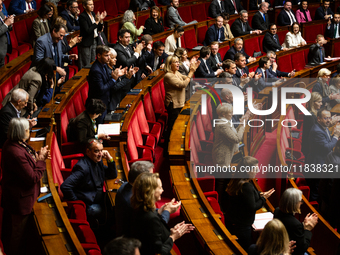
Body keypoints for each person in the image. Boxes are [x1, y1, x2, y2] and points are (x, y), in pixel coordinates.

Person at [1, 118, 49, 255]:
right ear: (21, 132)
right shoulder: (15, 152)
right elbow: (32, 178)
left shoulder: (17, 143)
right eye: (28, 130)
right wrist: (40, 161)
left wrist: (39, 155)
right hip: (20, 200)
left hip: (22, 195)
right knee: (17, 234)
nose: (29, 131)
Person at [130, 172, 194, 255]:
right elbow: (159, 251)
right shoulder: (151, 217)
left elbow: (154, 232)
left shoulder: (141, 208)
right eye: (160, 187)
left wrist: (173, 231)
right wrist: (173, 237)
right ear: (151, 191)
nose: (162, 190)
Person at [60, 139, 117, 224]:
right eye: (97, 151)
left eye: (101, 151)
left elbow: (112, 175)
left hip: (99, 198)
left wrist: (110, 159)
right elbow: (65, 186)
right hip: (89, 204)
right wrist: (77, 202)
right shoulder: (83, 168)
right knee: (112, 215)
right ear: (88, 151)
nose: (100, 154)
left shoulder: (97, 161)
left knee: (116, 206)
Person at [224, 156, 274, 250]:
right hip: (240, 226)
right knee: (243, 249)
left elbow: (248, 196)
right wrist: (264, 198)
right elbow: (253, 206)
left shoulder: (240, 180)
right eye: (255, 169)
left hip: (234, 222)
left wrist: (260, 194)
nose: (257, 171)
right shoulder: (246, 186)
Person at [87, 45, 136, 123]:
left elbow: (109, 80)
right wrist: (114, 79)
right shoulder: (96, 70)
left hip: (105, 102)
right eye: (106, 56)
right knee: (100, 126)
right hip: (98, 105)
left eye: (109, 55)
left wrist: (120, 75)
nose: (109, 58)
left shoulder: (104, 65)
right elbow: (101, 89)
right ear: (98, 55)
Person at [163, 55, 200, 151]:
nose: (178, 64)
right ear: (169, 64)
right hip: (173, 104)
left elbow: (187, 78)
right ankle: (167, 150)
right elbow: (182, 84)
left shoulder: (176, 73)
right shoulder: (168, 75)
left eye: (178, 62)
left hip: (179, 102)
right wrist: (191, 72)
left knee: (175, 126)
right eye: (175, 62)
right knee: (172, 127)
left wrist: (193, 74)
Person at [306, 109, 340, 201]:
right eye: (325, 118)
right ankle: (314, 209)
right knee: (316, 190)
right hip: (317, 164)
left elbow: (328, 142)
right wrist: (336, 136)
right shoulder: (317, 131)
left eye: (329, 117)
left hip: (321, 161)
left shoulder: (323, 127)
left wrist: (334, 137)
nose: (328, 120)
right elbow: (327, 147)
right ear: (319, 119)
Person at [274, 188, 318, 255]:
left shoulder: (277, 211)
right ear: (294, 204)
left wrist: (303, 224)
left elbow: (291, 230)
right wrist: (307, 229)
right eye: (300, 201)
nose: (301, 203)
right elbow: (303, 247)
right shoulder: (295, 224)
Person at [78, 0, 106, 70]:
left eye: (92, 4)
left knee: (93, 61)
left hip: (94, 41)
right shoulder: (82, 16)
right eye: (90, 4)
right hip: (86, 43)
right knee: (86, 64)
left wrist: (101, 20)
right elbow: (88, 31)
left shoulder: (93, 14)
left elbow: (99, 29)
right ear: (84, 6)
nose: (92, 6)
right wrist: (96, 22)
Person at [301, 92, 322, 158]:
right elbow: (315, 131)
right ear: (313, 103)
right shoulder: (310, 116)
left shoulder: (311, 112)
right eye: (319, 102)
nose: (321, 104)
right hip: (310, 147)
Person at [0, 0, 13, 68]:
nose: (1, 6)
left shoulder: (1, 13)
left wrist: (9, 24)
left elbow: (7, 28)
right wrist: (6, 24)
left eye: (1, 4)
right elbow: (4, 26)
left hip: (3, 50)